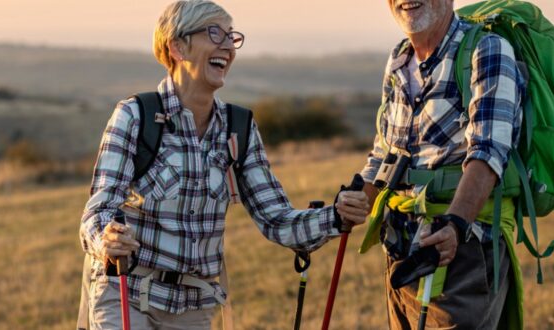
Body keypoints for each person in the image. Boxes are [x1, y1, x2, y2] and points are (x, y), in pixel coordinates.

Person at [77, 1, 369, 329]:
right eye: (215, 33)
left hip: (194, 306)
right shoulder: (134, 116)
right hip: (125, 295)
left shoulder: (238, 128)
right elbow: (97, 212)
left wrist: (336, 216)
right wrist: (107, 238)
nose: (228, 46)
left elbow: (277, 221)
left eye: (232, 37)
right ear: (177, 46)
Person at [357, 0, 524, 329]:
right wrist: (353, 199)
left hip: (464, 250)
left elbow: (488, 153)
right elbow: (386, 152)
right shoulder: (399, 58)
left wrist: (455, 225)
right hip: (402, 250)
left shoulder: (486, 50)